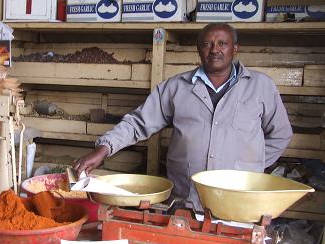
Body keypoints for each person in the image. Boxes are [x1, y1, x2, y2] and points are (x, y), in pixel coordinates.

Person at [73, 23, 293, 211]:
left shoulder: (260, 86)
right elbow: (137, 124)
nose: (214, 50)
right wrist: (103, 150)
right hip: (185, 202)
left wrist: (251, 167)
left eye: (222, 44)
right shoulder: (176, 87)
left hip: (240, 204)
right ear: (199, 50)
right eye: (207, 44)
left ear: (235, 48)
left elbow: (281, 135)